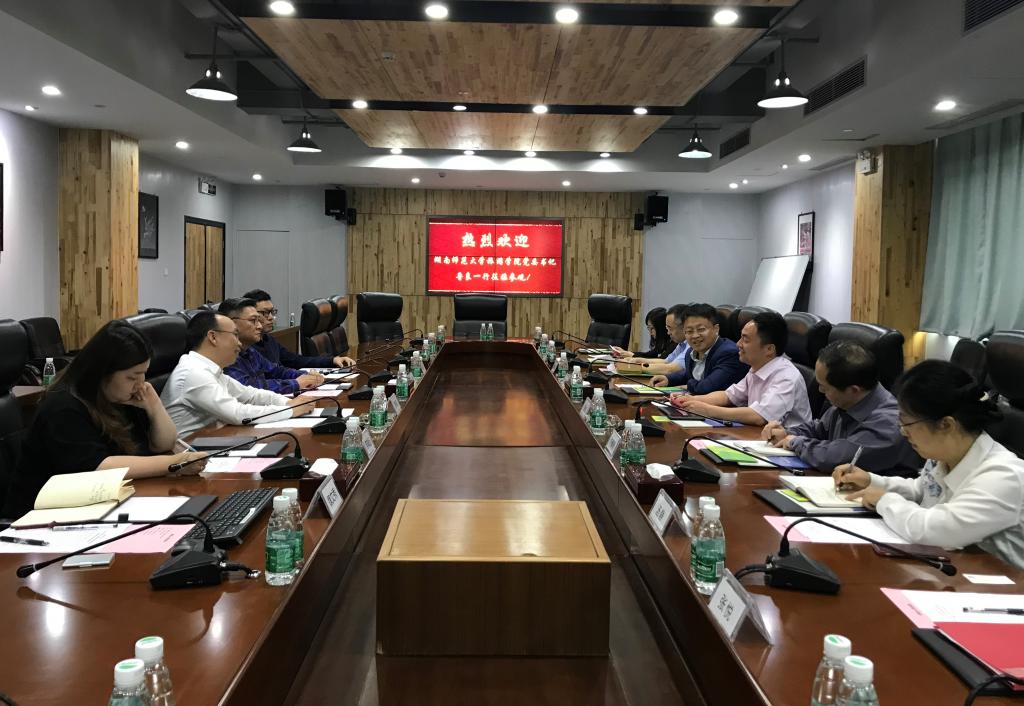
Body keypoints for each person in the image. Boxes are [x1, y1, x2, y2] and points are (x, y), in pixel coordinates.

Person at [2, 321, 208, 518]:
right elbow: (99, 467)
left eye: (143, 374)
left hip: (100, 505)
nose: (140, 383)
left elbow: (163, 444)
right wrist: (174, 463)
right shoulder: (63, 406)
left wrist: (154, 406)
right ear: (103, 371)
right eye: (132, 377)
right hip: (41, 517)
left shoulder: (121, 397)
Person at [835, 360, 1024, 569]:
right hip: (954, 568)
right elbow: (922, 490)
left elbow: (935, 531)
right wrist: (871, 481)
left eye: (907, 423)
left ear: (946, 424)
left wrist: (884, 500)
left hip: (1001, 580)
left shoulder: (1003, 476)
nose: (903, 432)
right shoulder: (945, 453)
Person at [762, 341, 921, 475]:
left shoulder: (890, 422)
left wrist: (796, 442)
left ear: (853, 390)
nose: (820, 391)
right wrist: (786, 433)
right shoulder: (847, 402)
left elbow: (836, 457)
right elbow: (818, 429)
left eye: (825, 387)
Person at [161, 311, 322, 436]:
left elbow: (250, 395)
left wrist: (287, 403)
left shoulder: (210, 369)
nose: (239, 343)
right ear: (213, 337)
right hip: (190, 455)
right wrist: (290, 410)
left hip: (214, 440)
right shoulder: (194, 372)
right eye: (235, 335)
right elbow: (237, 414)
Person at [672, 311, 812, 427]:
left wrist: (708, 410)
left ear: (769, 349)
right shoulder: (757, 368)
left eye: (745, 339)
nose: (738, 344)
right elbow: (728, 396)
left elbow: (759, 416)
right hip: (758, 437)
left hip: (786, 447)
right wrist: (690, 399)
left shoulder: (786, 377)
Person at [219, 298, 325, 395]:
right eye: (253, 320)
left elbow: (276, 371)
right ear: (231, 323)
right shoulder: (225, 356)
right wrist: (296, 383)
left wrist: (306, 375)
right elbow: (248, 389)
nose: (260, 326)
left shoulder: (249, 351)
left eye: (258, 320)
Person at [244, 288, 356, 369]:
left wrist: (332, 360)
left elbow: (295, 360)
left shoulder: (268, 340)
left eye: (272, 312)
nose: (270, 317)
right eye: (265, 313)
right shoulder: (247, 348)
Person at [649, 303, 747, 393]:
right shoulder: (690, 352)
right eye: (689, 331)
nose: (695, 335)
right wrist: (668, 379)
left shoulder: (729, 353)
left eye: (701, 329)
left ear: (716, 329)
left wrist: (687, 385)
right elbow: (690, 374)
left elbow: (707, 387)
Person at [611, 303, 690, 376]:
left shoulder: (689, 346)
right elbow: (665, 361)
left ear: (683, 327)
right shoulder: (682, 344)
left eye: (670, 328)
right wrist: (638, 360)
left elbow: (670, 369)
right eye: (667, 328)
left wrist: (634, 367)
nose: (668, 333)